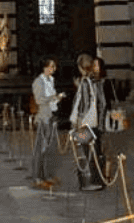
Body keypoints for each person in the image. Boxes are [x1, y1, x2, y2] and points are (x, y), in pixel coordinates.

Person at [69, 53, 107, 191]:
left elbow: (83, 106)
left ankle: (90, 181)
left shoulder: (85, 82)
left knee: (86, 152)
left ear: (81, 67)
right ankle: (98, 180)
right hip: (96, 123)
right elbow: (102, 102)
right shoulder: (97, 80)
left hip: (85, 123)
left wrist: (77, 123)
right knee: (95, 151)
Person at [30, 57, 66, 189]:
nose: (53, 69)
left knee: (49, 148)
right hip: (42, 117)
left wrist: (57, 99)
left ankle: (46, 175)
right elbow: (39, 100)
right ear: (44, 67)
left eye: (54, 67)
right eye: (51, 67)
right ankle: (37, 177)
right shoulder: (38, 82)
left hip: (51, 115)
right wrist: (53, 97)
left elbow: (52, 99)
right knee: (40, 148)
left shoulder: (51, 80)